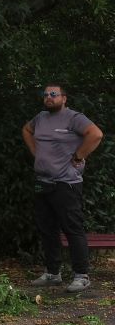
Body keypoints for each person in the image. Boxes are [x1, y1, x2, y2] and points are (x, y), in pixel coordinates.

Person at [22, 83, 103, 292]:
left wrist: (79, 156)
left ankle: (81, 275)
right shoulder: (40, 118)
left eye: (54, 94)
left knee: (72, 229)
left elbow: (95, 134)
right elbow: (26, 130)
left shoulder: (74, 118)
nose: (49, 97)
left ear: (64, 98)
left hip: (66, 183)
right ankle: (52, 273)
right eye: (46, 94)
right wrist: (36, 152)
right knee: (47, 229)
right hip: (43, 182)